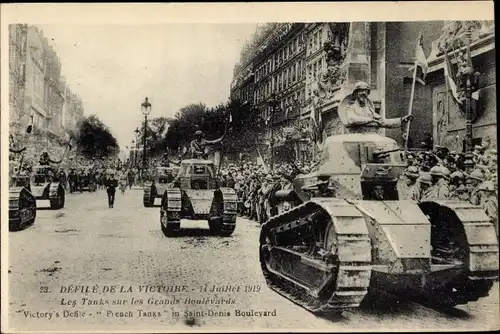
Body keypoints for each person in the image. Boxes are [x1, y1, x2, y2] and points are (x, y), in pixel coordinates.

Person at [344, 81, 414, 133]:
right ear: (355, 94)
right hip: (357, 139)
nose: (364, 93)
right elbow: (352, 119)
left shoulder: (370, 110)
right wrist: (370, 119)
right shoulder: (350, 108)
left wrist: (401, 120)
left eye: (366, 91)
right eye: (361, 91)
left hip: (372, 138)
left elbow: (383, 122)